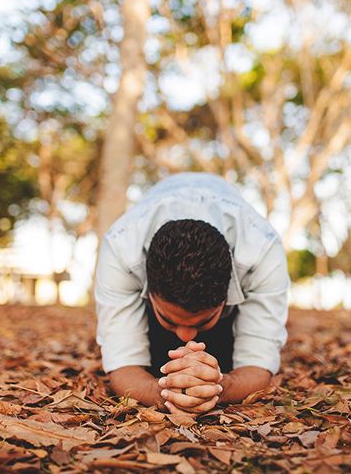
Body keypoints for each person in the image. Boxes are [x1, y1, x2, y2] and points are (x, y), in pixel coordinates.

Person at [95, 172, 289, 414]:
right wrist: (161, 392)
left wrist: (220, 387)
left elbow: (258, 363)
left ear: (226, 296)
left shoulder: (262, 249)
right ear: (149, 290)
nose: (186, 336)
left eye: (204, 320)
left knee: (222, 355)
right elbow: (122, 363)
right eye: (169, 318)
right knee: (159, 360)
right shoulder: (121, 247)